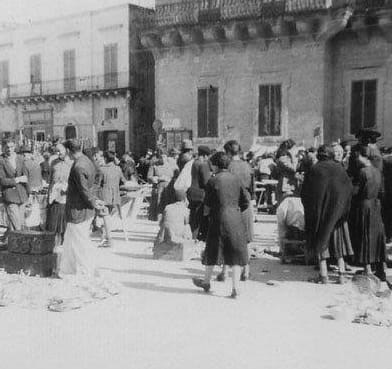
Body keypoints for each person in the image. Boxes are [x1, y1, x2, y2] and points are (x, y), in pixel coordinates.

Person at [192, 152, 249, 298]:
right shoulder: (237, 179)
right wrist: (235, 210)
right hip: (235, 218)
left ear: (216, 165)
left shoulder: (213, 181)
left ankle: (206, 281)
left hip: (218, 218)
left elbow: (208, 203)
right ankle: (235, 288)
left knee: (212, 250)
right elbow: (245, 201)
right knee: (235, 253)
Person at [301, 145, 353, 284]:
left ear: (319, 155)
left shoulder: (314, 170)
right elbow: (348, 190)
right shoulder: (340, 169)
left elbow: (305, 193)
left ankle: (323, 275)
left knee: (321, 241)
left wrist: (312, 211)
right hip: (337, 214)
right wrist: (342, 210)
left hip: (319, 214)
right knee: (339, 244)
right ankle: (342, 275)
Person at [58, 139, 105, 277]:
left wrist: (93, 201)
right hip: (84, 209)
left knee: (79, 242)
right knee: (70, 240)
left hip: (78, 210)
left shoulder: (78, 167)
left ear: (67, 151)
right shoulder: (86, 160)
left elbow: (83, 190)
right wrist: (94, 198)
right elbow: (97, 177)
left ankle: (86, 271)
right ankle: (67, 270)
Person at [350, 145, 387, 281]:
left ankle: (367, 269)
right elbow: (382, 192)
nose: (356, 160)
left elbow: (355, 192)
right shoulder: (378, 172)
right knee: (375, 236)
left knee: (364, 235)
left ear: (363, 157)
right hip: (375, 206)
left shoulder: (362, 172)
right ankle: (379, 267)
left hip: (364, 205)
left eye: (358, 157)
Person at [0, 140, 29, 237]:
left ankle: (12, 246)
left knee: (19, 223)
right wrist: (17, 179)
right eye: (7, 147)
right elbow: (2, 181)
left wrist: (29, 194)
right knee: (18, 226)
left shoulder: (20, 158)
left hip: (22, 195)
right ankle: (21, 247)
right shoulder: (2, 161)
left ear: (15, 146)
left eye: (11, 147)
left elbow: (25, 177)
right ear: (4, 148)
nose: (9, 149)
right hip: (10, 197)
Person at [98, 151, 127, 247]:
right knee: (108, 216)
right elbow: (123, 181)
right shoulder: (118, 168)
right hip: (115, 196)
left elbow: (97, 184)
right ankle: (105, 236)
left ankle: (109, 239)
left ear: (105, 158)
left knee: (105, 216)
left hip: (104, 195)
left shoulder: (102, 169)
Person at [46, 143, 72, 245]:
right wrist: (49, 194)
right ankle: (55, 243)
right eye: (56, 151)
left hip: (66, 197)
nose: (57, 153)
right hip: (54, 197)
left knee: (64, 222)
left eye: (59, 151)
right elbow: (51, 180)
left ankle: (65, 243)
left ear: (66, 150)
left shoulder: (72, 163)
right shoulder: (53, 162)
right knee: (53, 221)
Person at [153, 190, 192, 254]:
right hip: (178, 232)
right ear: (184, 199)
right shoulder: (185, 209)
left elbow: (162, 221)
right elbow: (186, 222)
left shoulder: (167, 207)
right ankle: (186, 244)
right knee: (187, 226)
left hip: (165, 233)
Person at [187, 145, 211, 240]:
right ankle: (195, 238)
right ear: (205, 155)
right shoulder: (203, 164)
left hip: (192, 192)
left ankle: (192, 237)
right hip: (200, 194)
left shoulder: (194, 163)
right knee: (199, 219)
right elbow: (206, 182)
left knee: (193, 218)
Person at [148, 150, 176, 221]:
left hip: (168, 189)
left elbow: (176, 175)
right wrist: (154, 178)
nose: (163, 159)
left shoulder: (172, 165)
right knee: (159, 208)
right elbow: (149, 177)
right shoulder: (154, 165)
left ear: (167, 157)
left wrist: (169, 179)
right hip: (158, 189)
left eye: (164, 157)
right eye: (161, 157)